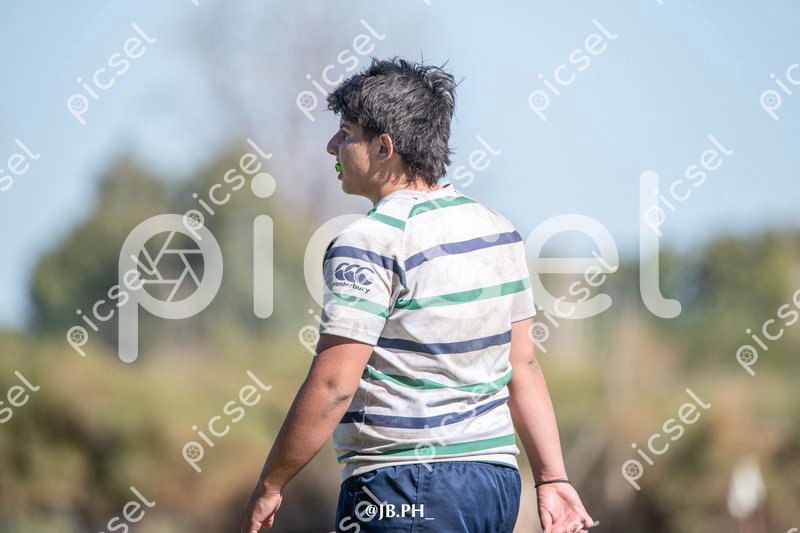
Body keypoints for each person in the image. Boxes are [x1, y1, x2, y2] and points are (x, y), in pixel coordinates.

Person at [241, 57, 594, 533]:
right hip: (495, 485)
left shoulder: (368, 241)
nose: (332, 146)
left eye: (345, 133)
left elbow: (334, 384)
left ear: (383, 147)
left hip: (404, 482)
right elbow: (523, 365)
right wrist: (552, 478)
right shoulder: (498, 230)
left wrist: (270, 484)